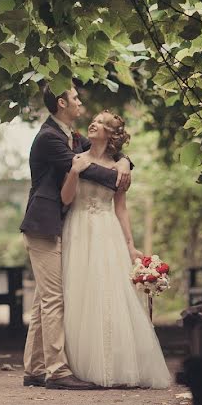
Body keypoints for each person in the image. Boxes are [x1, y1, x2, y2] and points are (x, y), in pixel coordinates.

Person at [20, 85, 133, 390]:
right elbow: (87, 170)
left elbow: (107, 152)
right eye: (75, 98)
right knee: (54, 298)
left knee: (44, 298)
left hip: (58, 223)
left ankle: (34, 368)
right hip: (43, 223)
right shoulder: (49, 138)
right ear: (61, 103)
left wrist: (126, 162)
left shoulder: (71, 135)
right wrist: (121, 179)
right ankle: (56, 371)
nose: (80, 102)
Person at [60, 110, 172, 389]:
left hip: (107, 230)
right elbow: (65, 198)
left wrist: (130, 245)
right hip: (77, 228)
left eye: (101, 122)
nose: (93, 123)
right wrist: (74, 171)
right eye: (94, 120)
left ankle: (113, 364)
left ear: (110, 135)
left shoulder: (120, 168)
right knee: (80, 293)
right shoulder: (78, 158)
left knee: (109, 293)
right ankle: (80, 366)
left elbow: (121, 209)